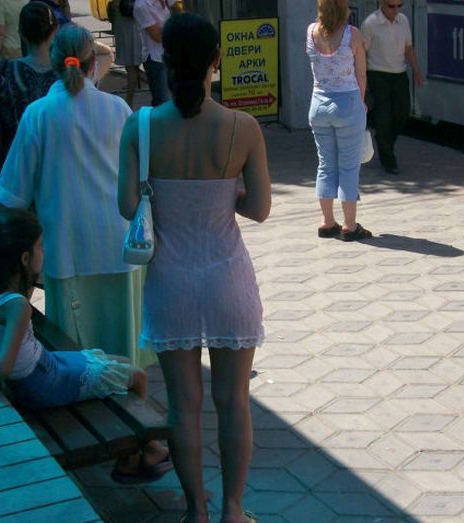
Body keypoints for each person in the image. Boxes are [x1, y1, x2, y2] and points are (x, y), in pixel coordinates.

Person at [118, 13, 270, 523]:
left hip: (171, 278)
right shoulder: (242, 128)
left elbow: (125, 206)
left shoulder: (139, 126)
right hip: (228, 275)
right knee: (234, 402)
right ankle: (232, 510)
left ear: (163, 58)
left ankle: (196, 513)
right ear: (216, 61)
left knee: (184, 406)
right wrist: (229, 191)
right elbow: (260, 210)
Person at [0, 209, 171, 483]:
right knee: (137, 376)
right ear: (25, 259)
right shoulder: (17, 306)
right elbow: (3, 367)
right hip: (43, 383)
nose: (44, 252)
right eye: (40, 247)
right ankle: (136, 457)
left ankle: (143, 451)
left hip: (44, 367)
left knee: (116, 362)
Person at [0, 24, 148, 367]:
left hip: (66, 251)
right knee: (123, 351)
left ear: (54, 63)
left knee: (77, 358)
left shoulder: (39, 114)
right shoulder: (118, 109)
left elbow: (12, 193)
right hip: (118, 245)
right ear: (93, 64)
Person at [306, 0, 371, 242]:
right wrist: (361, 103)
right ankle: (350, 225)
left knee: (325, 165)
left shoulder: (311, 32)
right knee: (348, 166)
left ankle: (326, 221)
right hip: (347, 104)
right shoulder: (352, 34)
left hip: (318, 105)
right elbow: (361, 73)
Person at [0, 1, 59, 174]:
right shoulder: (68, 74)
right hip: (58, 165)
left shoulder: (1, 73)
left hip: (14, 164)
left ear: (21, 32)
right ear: (55, 31)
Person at [361, 0, 422, 175]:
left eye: (399, 6)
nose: (395, 10)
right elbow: (362, 52)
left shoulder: (403, 20)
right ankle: (389, 160)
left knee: (402, 111)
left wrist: (416, 70)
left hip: (399, 74)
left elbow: (408, 48)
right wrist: (362, 79)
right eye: (391, 6)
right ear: (382, 4)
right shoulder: (370, 23)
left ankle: (384, 140)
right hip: (378, 75)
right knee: (383, 117)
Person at [133, 0, 171, 106]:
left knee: (175, 102)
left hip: (170, 56)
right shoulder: (141, 6)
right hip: (156, 60)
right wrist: (176, 26)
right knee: (162, 103)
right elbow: (157, 36)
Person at [109, 0, 146, 108]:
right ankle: (129, 98)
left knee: (131, 68)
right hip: (129, 28)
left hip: (130, 30)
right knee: (132, 68)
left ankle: (129, 101)